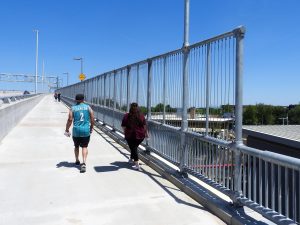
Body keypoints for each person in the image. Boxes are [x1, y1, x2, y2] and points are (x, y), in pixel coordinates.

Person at [65, 94, 94, 173]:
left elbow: (70, 119)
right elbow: (92, 118)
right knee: (84, 146)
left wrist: (67, 129)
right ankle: (83, 162)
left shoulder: (73, 108)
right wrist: (91, 127)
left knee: (76, 146)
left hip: (76, 131)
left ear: (75, 100)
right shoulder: (88, 107)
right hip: (85, 130)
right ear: (83, 99)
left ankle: (77, 160)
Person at [121, 102, 148, 171]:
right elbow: (145, 126)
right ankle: (131, 158)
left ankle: (137, 165)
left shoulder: (127, 115)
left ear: (130, 108)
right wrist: (147, 134)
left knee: (133, 148)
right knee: (134, 147)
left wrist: (125, 132)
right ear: (138, 108)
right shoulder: (141, 115)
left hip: (130, 135)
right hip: (141, 135)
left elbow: (123, 126)